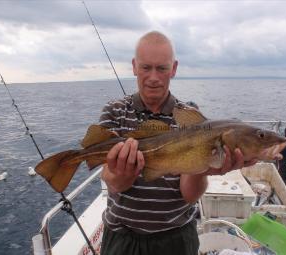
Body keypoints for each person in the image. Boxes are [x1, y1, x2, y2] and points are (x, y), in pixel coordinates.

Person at [98, 31, 256, 255]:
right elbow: (113, 182)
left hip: (177, 237)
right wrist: (122, 173)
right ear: (134, 66)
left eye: (162, 68)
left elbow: (190, 195)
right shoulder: (114, 111)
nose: (153, 77)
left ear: (173, 68)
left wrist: (204, 169)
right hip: (123, 237)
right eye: (146, 67)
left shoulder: (189, 117)